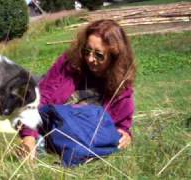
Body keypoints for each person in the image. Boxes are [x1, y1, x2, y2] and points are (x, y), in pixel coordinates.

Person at [19, 19, 136, 160]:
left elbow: (122, 125)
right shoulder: (69, 64)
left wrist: (126, 135)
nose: (90, 59)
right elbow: (43, 97)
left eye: (99, 55)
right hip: (50, 120)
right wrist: (28, 136)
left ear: (114, 56)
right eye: (87, 51)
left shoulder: (121, 87)